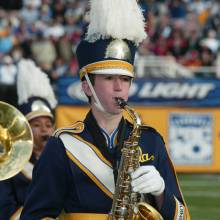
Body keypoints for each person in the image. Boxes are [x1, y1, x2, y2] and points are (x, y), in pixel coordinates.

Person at [20, 0, 190, 219]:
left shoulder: (151, 141)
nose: (119, 87)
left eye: (125, 79)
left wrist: (160, 193)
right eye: (109, 78)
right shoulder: (61, 146)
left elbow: (184, 217)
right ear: (86, 86)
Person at [0, 59, 57, 220]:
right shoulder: (10, 166)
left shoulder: (62, 161)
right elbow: (4, 206)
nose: (45, 129)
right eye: (37, 125)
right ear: (24, 130)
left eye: (48, 124)